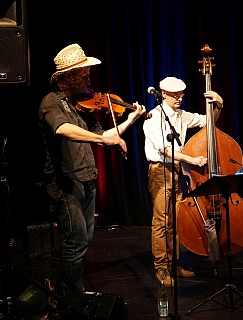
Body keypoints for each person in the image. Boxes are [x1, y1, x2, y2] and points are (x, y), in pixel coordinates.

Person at [39, 43, 146, 294]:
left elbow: (104, 135)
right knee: (75, 241)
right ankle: (71, 295)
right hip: (65, 181)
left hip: (86, 177)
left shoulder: (83, 105)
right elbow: (63, 129)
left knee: (85, 239)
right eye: (83, 72)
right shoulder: (51, 102)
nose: (88, 77)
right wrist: (103, 140)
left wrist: (130, 119)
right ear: (68, 77)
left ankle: (72, 289)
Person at [143, 76, 223, 287]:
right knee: (162, 221)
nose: (179, 98)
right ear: (163, 95)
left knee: (176, 219)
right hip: (161, 170)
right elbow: (165, 149)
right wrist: (192, 159)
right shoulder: (154, 118)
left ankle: (173, 264)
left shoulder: (181, 116)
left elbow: (209, 121)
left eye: (181, 95)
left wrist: (219, 104)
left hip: (178, 170)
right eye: (174, 95)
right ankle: (161, 268)